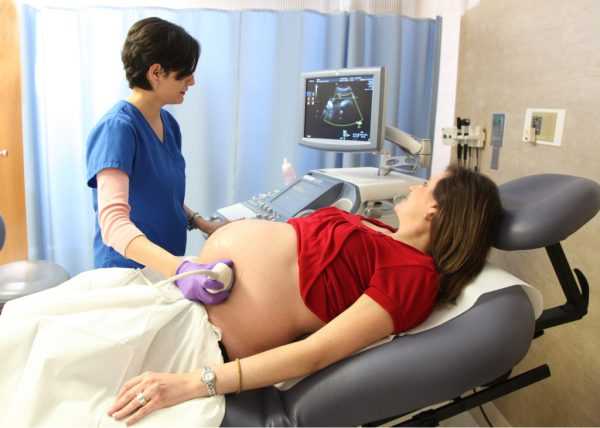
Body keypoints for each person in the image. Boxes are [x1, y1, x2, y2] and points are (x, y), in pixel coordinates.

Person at [106, 165, 503, 425]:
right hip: (183, 301)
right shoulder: (381, 231)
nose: (415, 186)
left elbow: (316, 352)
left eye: (426, 185)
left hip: (204, 338)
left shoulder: (413, 275)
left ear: (435, 210)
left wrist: (196, 383)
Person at [86, 17, 230, 303]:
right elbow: (113, 224)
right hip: (127, 275)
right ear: (156, 72)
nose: (192, 81)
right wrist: (181, 268)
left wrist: (202, 223)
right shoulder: (117, 128)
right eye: (184, 73)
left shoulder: (168, 124)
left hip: (165, 269)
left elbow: (162, 194)